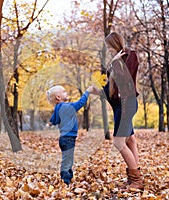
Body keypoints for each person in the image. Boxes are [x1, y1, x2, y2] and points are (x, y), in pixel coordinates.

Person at [102, 32, 143, 190]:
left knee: (119, 142)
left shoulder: (130, 55)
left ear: (115, 43)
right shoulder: (117, 60)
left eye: (109, 47)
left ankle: (137, 181)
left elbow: (126, 79)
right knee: (130, 140)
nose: (108, 50)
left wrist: (114, 62)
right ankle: (133, 177)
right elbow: (112, 89)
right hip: (121, 105)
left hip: (127, 104)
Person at [46, 85, 95, 185]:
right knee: (68, 159)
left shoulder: (58, 108)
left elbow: (54, 120)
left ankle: (69, 176)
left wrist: (50, 123)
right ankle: (65, 179)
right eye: (63, 91)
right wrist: (87, 92)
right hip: (68, 138)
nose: (66, 92)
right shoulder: (66, 106)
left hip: (65, 138)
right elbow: (80, 103)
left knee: (68, 158)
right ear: (58, 97)